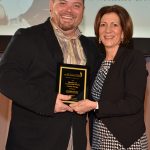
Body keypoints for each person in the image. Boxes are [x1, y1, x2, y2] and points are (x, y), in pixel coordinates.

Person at [0, 0, 102, 150]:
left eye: (76, 5)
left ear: (83, 10)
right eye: (63, 3)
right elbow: (5, 78)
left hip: (75, 140)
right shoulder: (27, 37)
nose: (69, 10)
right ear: (50, 5)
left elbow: (96, 90)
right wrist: (49, 102)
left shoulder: (91, 47)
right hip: (33, 141)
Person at [70, 5, 148, 149]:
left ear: (123, 31)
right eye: (103, 25)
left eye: (114, 25)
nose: (108, 30)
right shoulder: (97, 62)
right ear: (98, 32)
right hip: (99, 138)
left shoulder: (133, 58)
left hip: (124, 141)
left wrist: (95, 105)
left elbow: (133, 103)